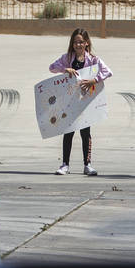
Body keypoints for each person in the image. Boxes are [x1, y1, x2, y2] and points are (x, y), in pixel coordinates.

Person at [49, 28, 112, 176]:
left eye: (81, 42)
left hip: (85, 103)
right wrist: (65, 69)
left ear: (86, 43)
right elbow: (52, 68)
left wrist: (93, 80)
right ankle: (65, 164)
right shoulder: (67, 57)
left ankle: (87, 164)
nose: (78, 45)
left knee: (85, 133)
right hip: (70, 102)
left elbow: (108, 71)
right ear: (72, 44)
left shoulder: (93, 60)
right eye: (75, 42)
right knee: (68, 132)